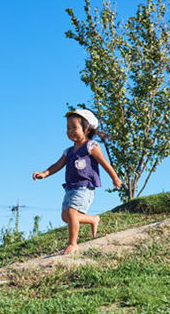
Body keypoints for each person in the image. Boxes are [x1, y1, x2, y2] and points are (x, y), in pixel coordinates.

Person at [32, 109, 122, 255]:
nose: (70, 131)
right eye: (68, 128)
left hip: (85, 187)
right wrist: (45, 173)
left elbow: (105, 163)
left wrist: (115, 178)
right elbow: (57, 165)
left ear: (86, 129)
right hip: (70, 188)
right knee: (65, 217)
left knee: (72, 213)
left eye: (74, 127)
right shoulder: (68, 151)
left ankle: (73, 244)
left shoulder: (91, 147)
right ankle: (93, 219)